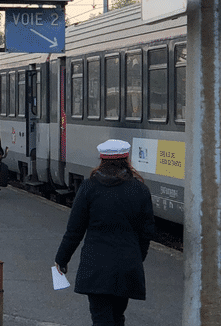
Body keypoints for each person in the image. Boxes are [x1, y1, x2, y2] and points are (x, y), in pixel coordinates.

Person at [54, 139, 155, 326]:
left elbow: (74, 230)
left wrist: (61, 259)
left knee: (101, 318)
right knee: (117, 317)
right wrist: (136, 258)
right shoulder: (140, 190)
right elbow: (146, 233)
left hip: (96, 267)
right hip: (127, 267)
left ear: (101, 159)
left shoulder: (88, 188)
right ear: (127, 159)